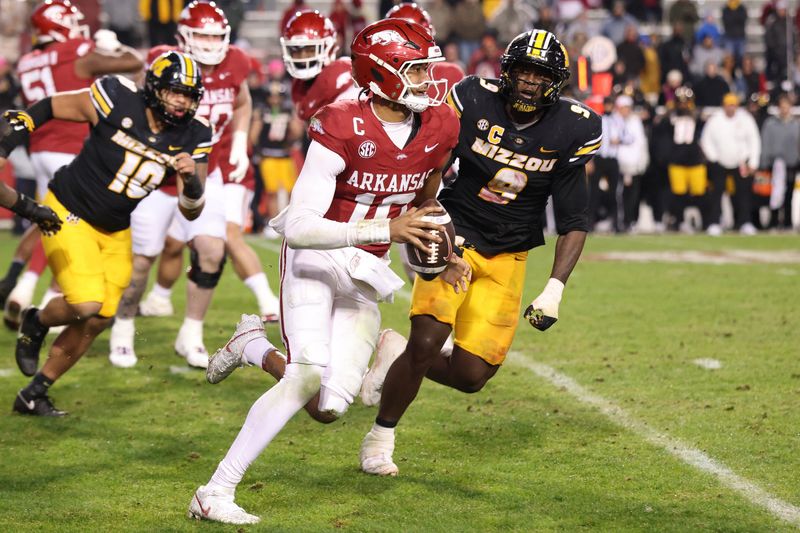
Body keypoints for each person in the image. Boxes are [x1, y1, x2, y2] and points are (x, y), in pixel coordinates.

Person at [188, 19, 461, 524]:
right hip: (317, 258)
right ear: (381, 74)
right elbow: (298, 225)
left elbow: (425, 198)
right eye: (417, 71)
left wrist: (439, 250)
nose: (429, 80)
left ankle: (251, 345)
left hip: (367, 268)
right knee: (306, 373)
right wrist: (387, 227)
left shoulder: (441, 125)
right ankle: (214, 490)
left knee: (329, 408)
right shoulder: (340, 122)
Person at [357, 29, 602, 477]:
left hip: (511, 252)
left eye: (539, 74)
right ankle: (380, 437)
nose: (529, 82)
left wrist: (555, 289)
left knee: (471, 376)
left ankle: (392, 352)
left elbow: (574, 218)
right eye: (523, 71)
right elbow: (434, 162)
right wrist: (426, 216)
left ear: (556, 81)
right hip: (457, 234)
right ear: (507, 72)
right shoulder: (472, 98)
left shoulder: (573, 127)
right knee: (428, 341)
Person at [3, 50, 211, 416]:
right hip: (67, 211)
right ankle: (35, 321)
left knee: (100, 317)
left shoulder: (195, 135)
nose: (182, 101)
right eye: (175, 91)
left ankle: (34, 393)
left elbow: (192, 208)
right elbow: (53, 104)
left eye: (190, 95)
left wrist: (191, 180)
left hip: (116, 228)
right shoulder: (118, 99)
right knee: (86, 304)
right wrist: (21, 127)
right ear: (154, 88)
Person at [108, 1, 279, 370]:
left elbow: (243, 102)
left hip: (205, 171)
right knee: (142, 261)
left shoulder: (235, 62)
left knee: (212, 251)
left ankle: (192, 332)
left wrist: (237, 143)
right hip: (155, 178)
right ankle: (122, 327)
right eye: (200, 34)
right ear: (183, 36)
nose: (208, 42)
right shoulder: (161, 60)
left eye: (215, 35)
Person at [0, 0, 143, 329]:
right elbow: (132, 62)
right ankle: (50, 301)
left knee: (44, 218)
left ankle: (19, 284)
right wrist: (114, 47)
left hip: (39, 148)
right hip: (72, 146)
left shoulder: (28, 60)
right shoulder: (75, 49)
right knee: (74, 227)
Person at [281, 10, 360, 124]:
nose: (303, 58)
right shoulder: (298, 86)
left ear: (328, 47)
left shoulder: (342, 76)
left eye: (310, 50)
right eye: (297, 50)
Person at [699, 92, 761, 235]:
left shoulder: (746, 119)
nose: (731, 108)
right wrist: (713, 157)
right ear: (724, 106)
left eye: (733, 105)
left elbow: (754, 141)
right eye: (728, 105)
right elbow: (706, 140)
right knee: (716, 194)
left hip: (741, 162)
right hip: (720, 162)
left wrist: (753, 162)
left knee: (743, 194)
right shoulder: (715, 120)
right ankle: (714, 222)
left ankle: (744, 222)